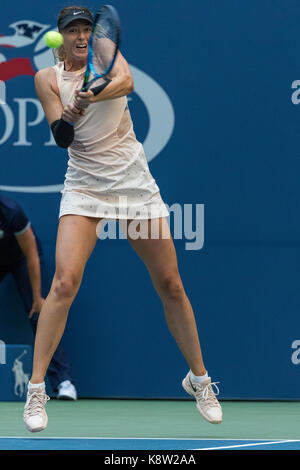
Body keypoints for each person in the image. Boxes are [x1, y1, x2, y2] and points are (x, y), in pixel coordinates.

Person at [23, 6, 222, 433]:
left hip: (133, 182)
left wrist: (93, 93)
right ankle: (37, 390)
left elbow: (126, 81)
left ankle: (200, 380)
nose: (80, 36)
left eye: (85, 29)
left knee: (170, 283)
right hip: (85, 187)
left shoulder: (106, 54)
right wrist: (71, 112)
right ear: (60, 36)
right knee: (63, 282)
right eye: (72, 30)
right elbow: (61, 137)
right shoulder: (46, 79)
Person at [0, 193, 77, 400]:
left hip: (22, 258)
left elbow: (31, 254)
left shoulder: (11, 212)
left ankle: (63, 381)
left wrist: (37, 297)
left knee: (40, 312)